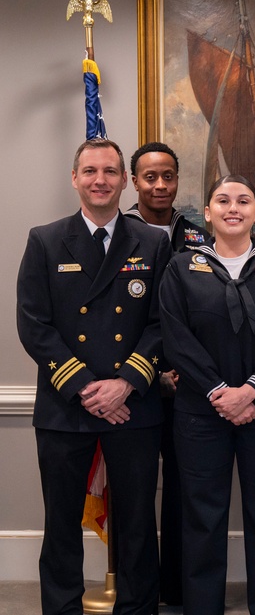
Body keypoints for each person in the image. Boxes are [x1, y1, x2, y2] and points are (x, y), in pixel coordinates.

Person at [16, 138, 171, 615]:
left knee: (137, 524)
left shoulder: (152, 241)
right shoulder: (45, 239)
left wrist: (126, 382)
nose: (99, 180)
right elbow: (33, 323)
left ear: (124, 180)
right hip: (67, 407)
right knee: (61, 523)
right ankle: (62, 608)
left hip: (134, 406)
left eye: (109, 172)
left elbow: (164, 322)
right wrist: (85, 386)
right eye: (90, 171)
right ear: (75, 178)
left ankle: (137, 609)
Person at [160, 175, 255, 615]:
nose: (233, 208)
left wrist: (251, 390)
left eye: (244, 200)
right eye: (222, 200)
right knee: (203, 519)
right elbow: (177, 339)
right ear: (207, 212)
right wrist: (220, 392)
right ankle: (202, 607)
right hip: (200, 414)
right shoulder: (181, 268)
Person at [124, 141, 210, 606]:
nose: (160, 185)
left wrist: (188, 373)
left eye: (168, 176)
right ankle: (140, 590)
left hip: (188, 389)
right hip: (132, 388)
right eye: (150, 177)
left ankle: (177, 586)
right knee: (135, 495)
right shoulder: (118, 233)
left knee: (185, 491)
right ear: (133, 181)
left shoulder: (197, 237)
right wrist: (148, 375)